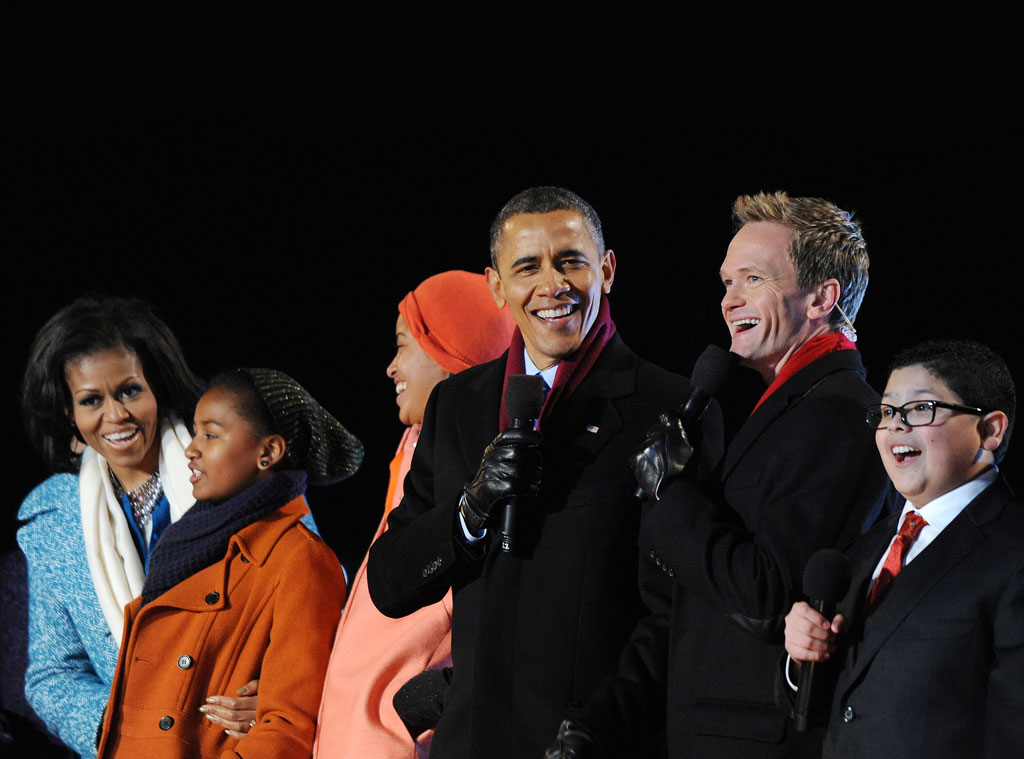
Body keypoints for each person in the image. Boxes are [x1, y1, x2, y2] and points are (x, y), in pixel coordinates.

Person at [365, 186, 690, 758]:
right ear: (496, 286)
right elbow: (390, 584)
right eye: (527, 267)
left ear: (607, 269)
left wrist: (603, 731)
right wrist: (469, 511)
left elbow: (676, 613)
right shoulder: (457, 406)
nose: (552, 284)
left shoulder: (666, 407)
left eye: (571, 261)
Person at [602, 192, 892, 758]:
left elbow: (767, 592)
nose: (729, 301)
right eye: (726, 282)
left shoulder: (841, 412)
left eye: (753, 279)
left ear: (822, 298)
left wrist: (672, 493)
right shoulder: (781, 406)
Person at [17, 296, 272, 758]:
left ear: (158, 386)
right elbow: (53, 675)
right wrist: (133, 733)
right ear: (70, 415)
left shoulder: (239, 468)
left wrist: (276, 692)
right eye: (91, 400)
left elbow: (319, 602)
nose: (115, 415)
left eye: (130, 391)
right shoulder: (53, 522)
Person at [96, 367, 362, 759]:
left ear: (268, 452)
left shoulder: (300, 559)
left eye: (211, 434)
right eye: (195, 431)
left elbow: (288, 728)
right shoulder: (189, 542)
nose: (191, 448)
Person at [783, 339, 1022, 757]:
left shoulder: (1013, 549)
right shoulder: (868, 547)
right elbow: (830, 709)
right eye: (888, 411)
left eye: (921, 409)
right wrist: (801, 658)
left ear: (990, 429)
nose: (895, 425)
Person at [313, 270, 515, 758]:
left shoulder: (485, 463)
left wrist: (426, 704)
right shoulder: (414, 450)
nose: (390, 367)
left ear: (451, 350)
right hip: (357, 735)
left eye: (404, 344)